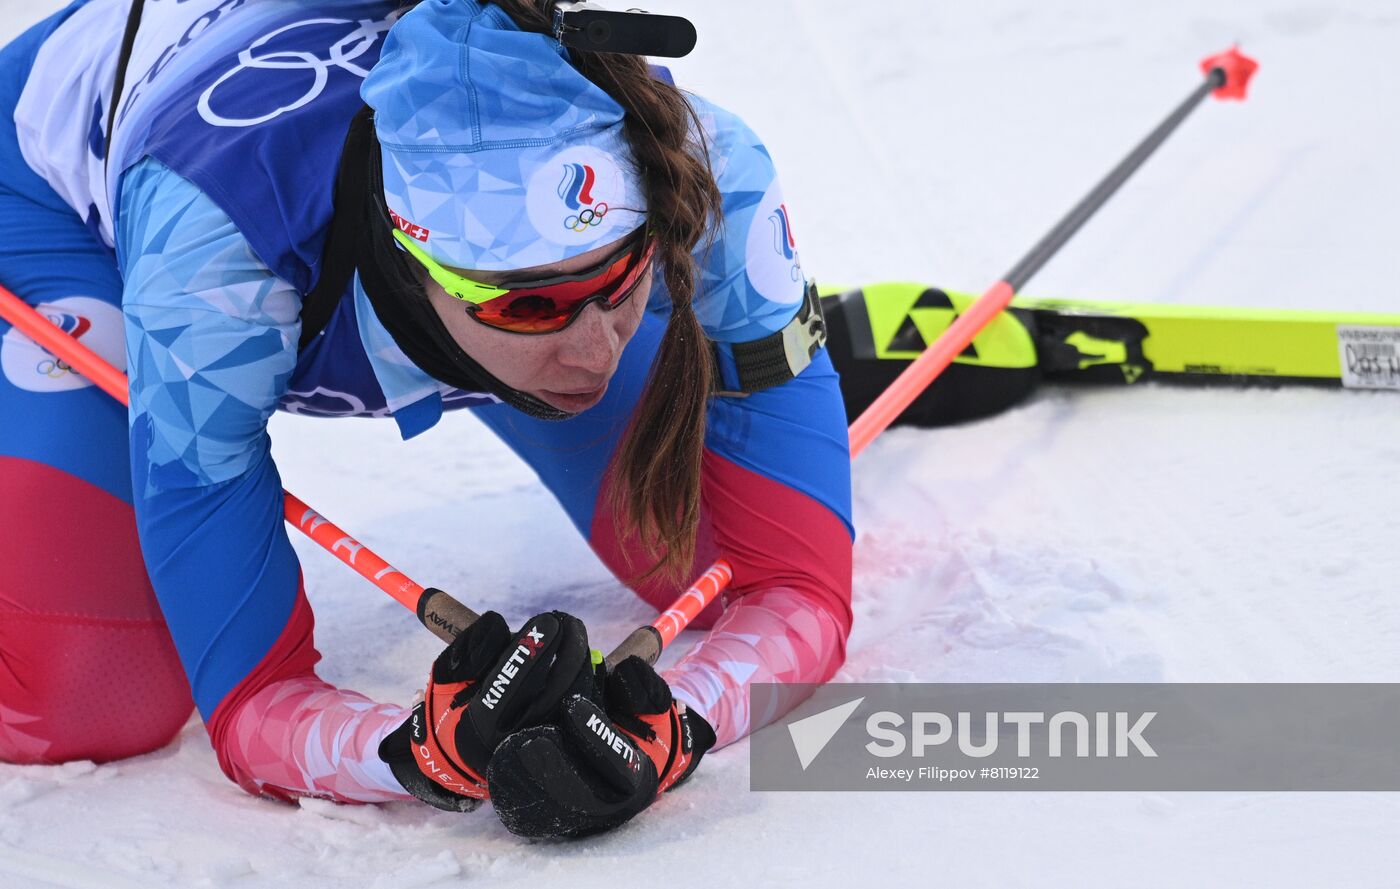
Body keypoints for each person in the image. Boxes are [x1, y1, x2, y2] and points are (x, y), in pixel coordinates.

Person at [0, 0, 852, 837]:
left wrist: (677, 722)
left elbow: (801, 590)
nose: (596, 349)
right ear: (411, 265)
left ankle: (769, 332)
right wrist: (417, 752)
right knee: (88, 692)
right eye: (531, 307)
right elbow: (252, 702)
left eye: (624, 279)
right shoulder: (218, 274)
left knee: (705, 559)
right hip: (54, 203)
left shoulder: (700, 163)